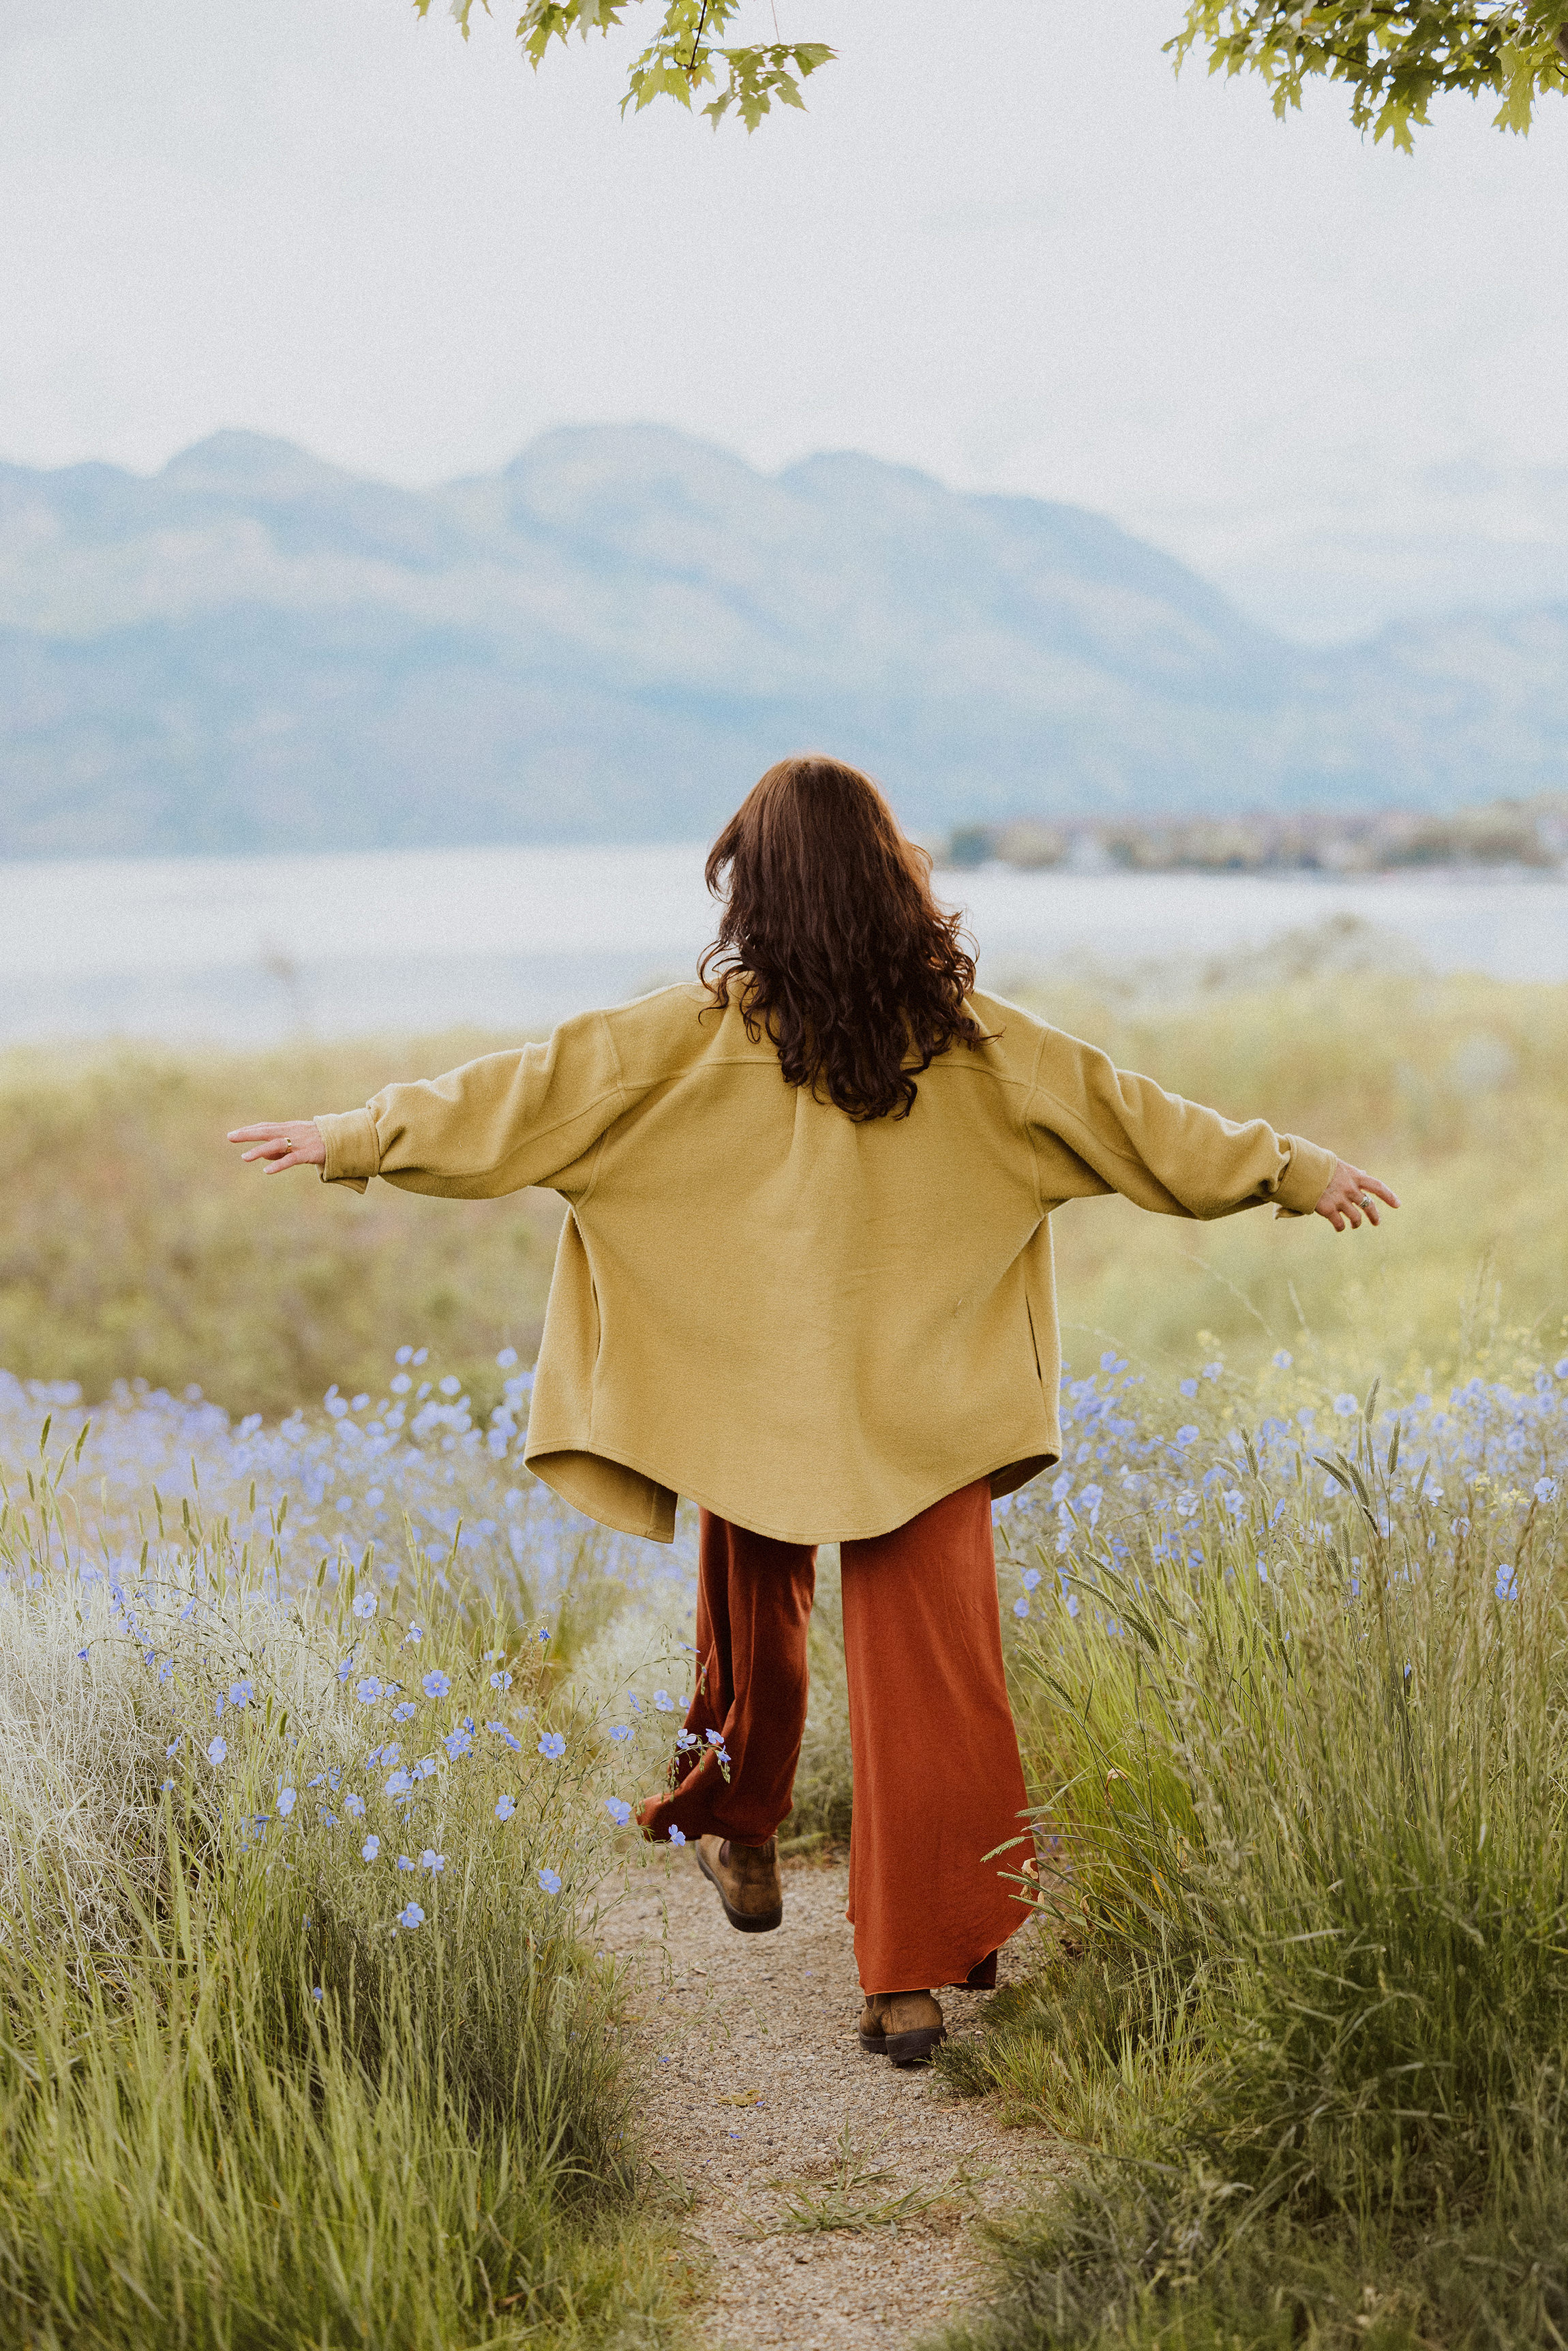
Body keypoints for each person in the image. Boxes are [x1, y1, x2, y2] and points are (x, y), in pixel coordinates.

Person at [230, 755, 1398, 2067]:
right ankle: (912, 1976)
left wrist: (352, 1135)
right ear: (895, 879)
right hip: (926, 1418)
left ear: (755, 888)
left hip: (752, 1399)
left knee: (754, 1628)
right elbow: (1143, 1126)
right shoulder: (983, 1046)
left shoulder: (680, 1038)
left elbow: (519, 1097)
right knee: (934, 1686)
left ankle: (740, 1829)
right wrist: (1297, 1170)